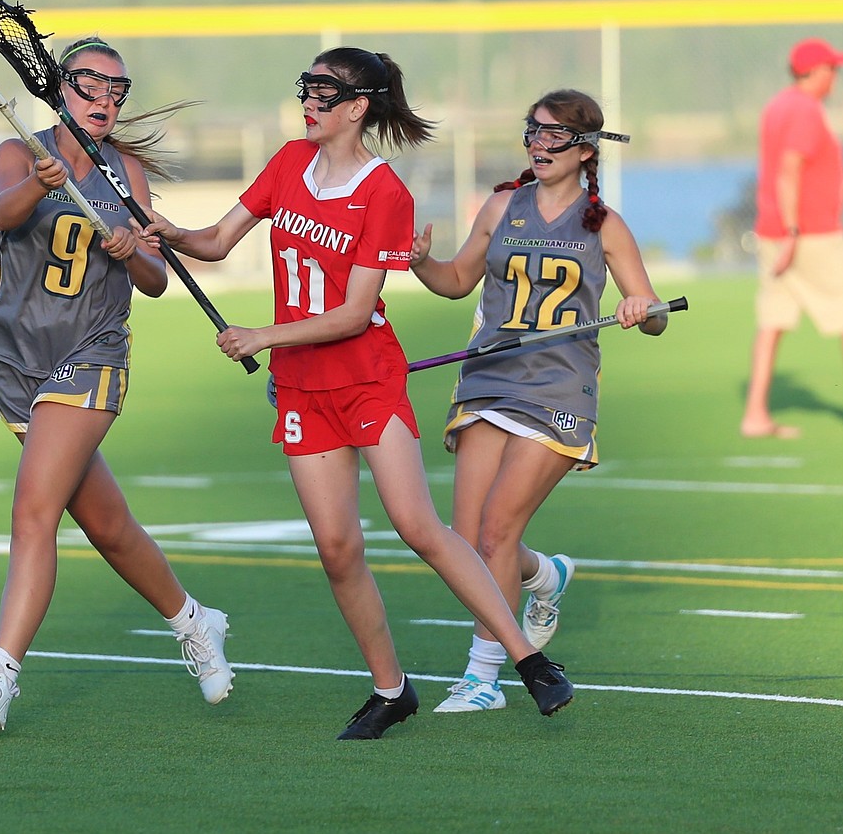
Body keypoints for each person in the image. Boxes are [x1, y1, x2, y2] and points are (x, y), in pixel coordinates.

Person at [142, 47, 574, 740]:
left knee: (417, 524)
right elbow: (219, 239)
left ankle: (528, 659)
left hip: (367, 378)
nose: (308, 101)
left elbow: (351, 312)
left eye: (323, 90)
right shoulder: (287, 162)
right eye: (305, 87)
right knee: (338, 548)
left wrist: (264, 336)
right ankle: (390, 687)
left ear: (358, 106)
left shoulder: (386, 194)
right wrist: (173, 234)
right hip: (302, 391)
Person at [0, 36, 233, 731]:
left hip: (91, 351)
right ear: (62, 86)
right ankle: (194, 620)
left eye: (117, 91)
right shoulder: (19, 149)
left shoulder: (124, 173)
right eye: (92, 86)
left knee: (33, 510)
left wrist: (131, 251)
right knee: (108, 525)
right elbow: (5, 212)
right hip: (16, 359)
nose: (105, 101)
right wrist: (42, 179)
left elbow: (156, 281)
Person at [409, 88, 667, 713]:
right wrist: (422, 264)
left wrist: (642, 309)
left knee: (497, 532)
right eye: (533, 132)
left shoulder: (604, 224)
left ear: (585, 150)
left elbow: (655, 313)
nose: (539, 145)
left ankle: (482, 677)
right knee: (469, 539)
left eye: (554, 135)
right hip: (489, 377)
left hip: (558, 385)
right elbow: (456, 280)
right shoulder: (501, 206)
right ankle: (544, 576)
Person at [740, 38, 843, 439]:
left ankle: (754, 415)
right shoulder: (804, 109)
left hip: (775, 233)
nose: (835, 76)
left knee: (773, 321)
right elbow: (789, 170)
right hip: (810, 235)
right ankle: (755, 415)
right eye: (831, 69)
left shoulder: (779, 105)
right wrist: (795, 232)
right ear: (815, 72)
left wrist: (783, 231)